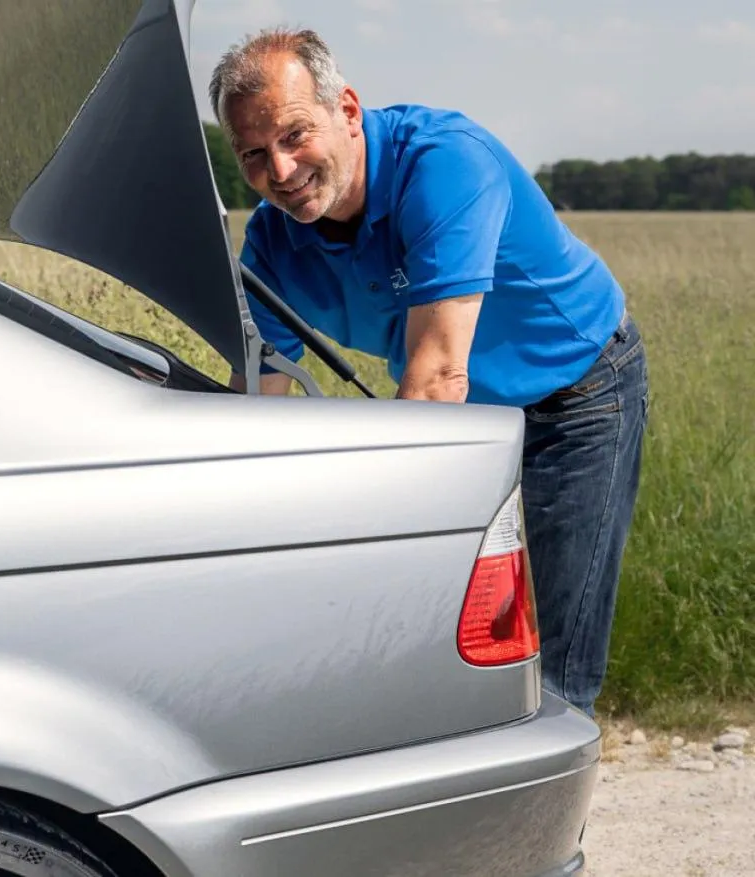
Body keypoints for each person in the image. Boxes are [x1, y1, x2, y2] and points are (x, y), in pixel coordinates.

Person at [209, 27, 649, 718]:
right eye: (255, 155)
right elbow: (262, 402)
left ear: (347, 110)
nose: (283, 170)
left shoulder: (445, 164)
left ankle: (553, 826)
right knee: (450, 657)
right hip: (468, 416)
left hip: (577, 395)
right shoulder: (270, 244)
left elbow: (440, 376)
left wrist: (387, 536)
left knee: (552, 668)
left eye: (295, 135)